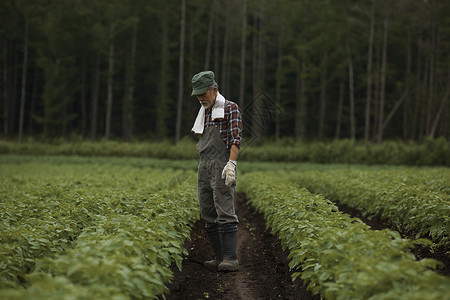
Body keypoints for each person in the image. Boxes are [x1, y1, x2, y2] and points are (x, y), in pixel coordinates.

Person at [190, 70, 242, 272]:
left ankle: (230, 258)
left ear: (214, 90)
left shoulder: (230, 109)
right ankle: (219, 257)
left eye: (203, 93)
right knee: (207, 210)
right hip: (204, 165)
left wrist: (231, 164)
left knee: (224, 210)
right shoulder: (204, 112)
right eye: (197, 95)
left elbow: (235, 139)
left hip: (222, 164)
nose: (200, 98)